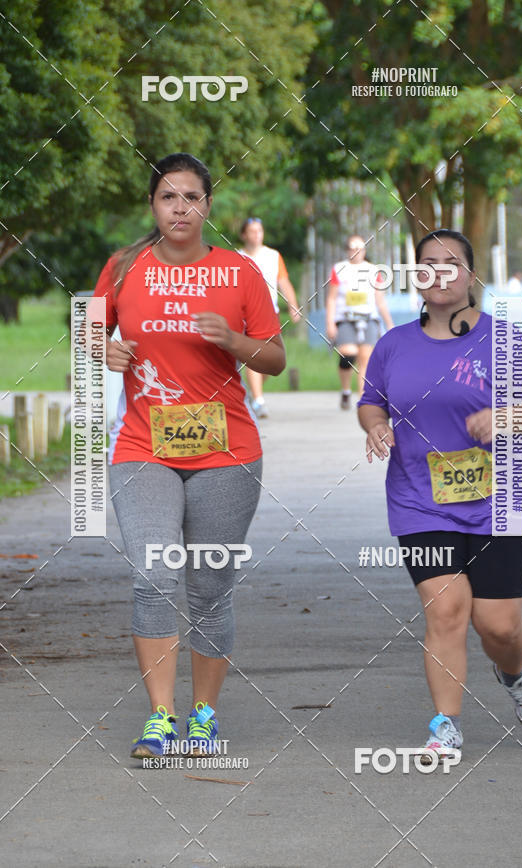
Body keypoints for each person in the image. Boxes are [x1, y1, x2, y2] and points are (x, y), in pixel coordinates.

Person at [92, 153, 285, 759]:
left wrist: (235, 342)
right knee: (152, 575)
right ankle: (160, 716)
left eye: (192, 197)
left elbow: (275, 358)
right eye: (168, 197)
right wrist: (105, 350)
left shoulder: (239, 273)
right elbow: (89, 330)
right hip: (142, 446)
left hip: (227, 453)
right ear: (153, 206)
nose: (180, 207)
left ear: (208, 206)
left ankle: (203, 715)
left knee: (209, 588)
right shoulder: (125, 268)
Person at [357, 228, 522, 760]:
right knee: (446, 611)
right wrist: (374, 425)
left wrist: (504, 416)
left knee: (498, 623)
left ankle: (513, 674)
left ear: (471, 276)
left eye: (451, 262)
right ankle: (445, 724)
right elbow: (370, 401)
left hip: (501, 499)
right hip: (419, 499)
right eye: (427, 263)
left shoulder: (506, 339)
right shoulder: (392, 344)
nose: (439, 271)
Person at [238, 217, 301, 417]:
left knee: (269, 361)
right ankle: (258, 400)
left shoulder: (273, 256)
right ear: (244, 235)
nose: (257, 235)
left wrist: (294, 306)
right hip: (244, 314)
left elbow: (284, 282)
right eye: (252, 231)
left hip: (269, 313)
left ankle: (255, 392)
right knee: (253, 357)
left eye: (260, 231)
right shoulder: (236, 257)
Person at [326, 235, 393, 409]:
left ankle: (363, 399)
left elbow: (380, 300)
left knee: (365, 358)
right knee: (348, 354)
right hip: (346, 318)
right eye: (352, 248)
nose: (356, 252)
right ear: (347, 250)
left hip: (368, 318)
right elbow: (331, 299)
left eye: (360, 248)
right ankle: (346, 390)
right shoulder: (339, 268)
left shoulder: (373, 270)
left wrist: (389, 324)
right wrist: (330, 323)